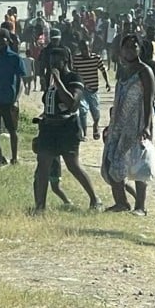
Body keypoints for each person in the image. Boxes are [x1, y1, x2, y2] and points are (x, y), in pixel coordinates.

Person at [32, 47, 102, 212]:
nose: (53, 64)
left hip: (67, 128)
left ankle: (95, 199)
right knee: (43, 167)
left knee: (73, 165)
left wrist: (58, 81)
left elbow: (72, 104)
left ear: (65, 61)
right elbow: (50, 103)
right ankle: (40, 207)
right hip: (49, 128)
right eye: (51, 61)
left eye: (57, 61)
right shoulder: (50, 79)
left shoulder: (74, 78)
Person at [105, 34, 155, 215]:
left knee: (140, 163)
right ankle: (121, 202)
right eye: (126, 46)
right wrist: (111, 123)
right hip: (119, 123)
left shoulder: (145, 71)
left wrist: (146, 126)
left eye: (134, 46)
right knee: (113, 160)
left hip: (138, 122)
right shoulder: (123, 70)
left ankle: (140, 206)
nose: (130, 50)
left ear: (140, 49)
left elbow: (149, 100)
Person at [0, 28, 27, 167]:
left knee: (12, 130)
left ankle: (14, 158)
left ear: (8, 41)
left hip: (9, 99)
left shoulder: (15, 58)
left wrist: (16, 98)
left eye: (3, 40)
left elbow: (21, 79)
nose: (1, 42)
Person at [72, 40, 111, 140]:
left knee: (96, 113)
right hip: (82, 90)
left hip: (93, 90)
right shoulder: (77, 60)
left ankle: (95, 125)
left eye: (86, 48)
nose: (84, 51)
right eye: (82, 49)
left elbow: (103, 70)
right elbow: (74, 74)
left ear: (89, 48)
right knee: (82, 111)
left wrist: (107, 82)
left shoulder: (96, 58)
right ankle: (84, 133)